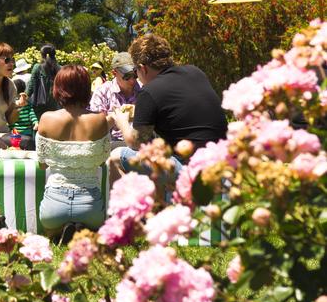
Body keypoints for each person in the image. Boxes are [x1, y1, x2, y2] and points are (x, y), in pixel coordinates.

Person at [109, 34, 228, 185]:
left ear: (142, 68)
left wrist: (122, 122)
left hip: (190, 169)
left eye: (135, 72)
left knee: (115, 157)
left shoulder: (149, 91)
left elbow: (137, 143)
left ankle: (133, 206)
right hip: (221, 161)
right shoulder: (195, 72)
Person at [36, 65, 111, 244]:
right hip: (89, 204)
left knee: (49, 228)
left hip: (54, 204)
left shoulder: (46, 118)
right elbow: (101, 161)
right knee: (93, 228)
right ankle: (83, 229)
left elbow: (42, 164)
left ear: (58, 88)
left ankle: (58, 232)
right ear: (86, 89)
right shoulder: (99, 120)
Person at [89, 52, 142, 149]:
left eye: (135, 75)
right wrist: (113, 118)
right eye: (127, 76)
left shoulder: (144, 91)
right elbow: (95, 130)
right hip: (110, 147)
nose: (132, 80)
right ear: (114, 73)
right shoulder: (102, 92)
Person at [27, 44, 60, 119]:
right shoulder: (60, 68)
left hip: (40, 106)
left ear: (42, 55)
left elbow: (30, 87)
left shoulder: (37, 67)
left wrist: (24, 97)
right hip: (56, 105)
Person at [10, 78, 38, 150]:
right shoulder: (27, 103)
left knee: (15, 147)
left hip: (15, 131)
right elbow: (32, 114)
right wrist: (35, 122)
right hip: (26, 132)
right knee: (25, 146)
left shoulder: (12, 103)